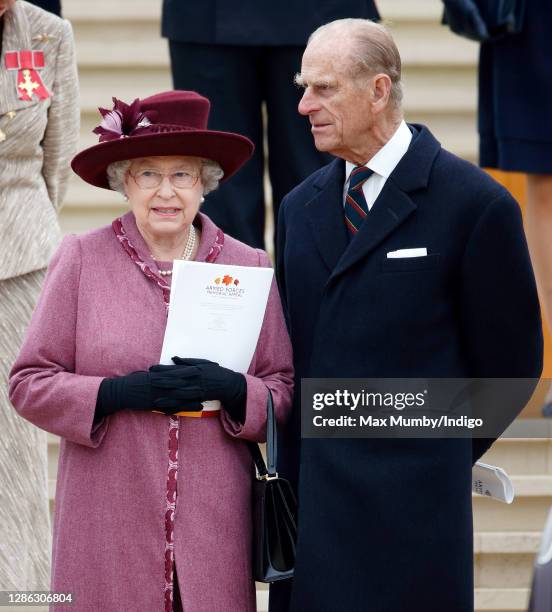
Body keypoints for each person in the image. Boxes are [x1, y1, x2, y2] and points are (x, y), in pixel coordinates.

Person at [272, 18, 543, 612]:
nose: (302, 105)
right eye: (302, 86)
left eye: (323, 88)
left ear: (378, 90)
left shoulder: (475, 203)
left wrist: (430, 446)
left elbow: (513, 363)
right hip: (316, 515)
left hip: (418, 512)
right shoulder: (298, 207)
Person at [9, 90, 294, 612]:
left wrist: (235, 391)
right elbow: (28, 382)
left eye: (182, 174)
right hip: (107, 516)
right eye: (148, 174)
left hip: (214, 522)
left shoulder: (248, 265)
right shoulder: (80, 259)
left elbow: (282, 391)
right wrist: (115, 393)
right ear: (124, 181)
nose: (166, 191)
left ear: (205, 183)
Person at [161, 0, 379, 250]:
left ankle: (317, 283)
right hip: (207, 18)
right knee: (218, 173)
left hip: (324, 16)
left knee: (320, 172)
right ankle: (226, 281)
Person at [0, 0, 78, 591]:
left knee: (16, 429)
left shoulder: (47, 33)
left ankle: (19, 577)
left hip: (18, 248)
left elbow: (58, 155)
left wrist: (27, 224)